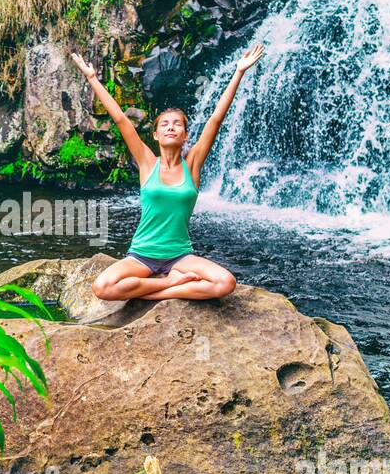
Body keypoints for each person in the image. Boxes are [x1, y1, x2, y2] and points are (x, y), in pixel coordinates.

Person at [69, 44, 265, 301]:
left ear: (185, 136)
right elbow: (121, 120)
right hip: (141, 255)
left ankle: (157, 288)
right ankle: (170, 285)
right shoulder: (147, 162)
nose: (171, 128)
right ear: (155, 134)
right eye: (164, 124)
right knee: (102, 287)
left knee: (225, 283)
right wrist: (92, 78)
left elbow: (216, 118)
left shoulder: (192, 164)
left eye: (177, 125)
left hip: (180, 257)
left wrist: (238, 72)